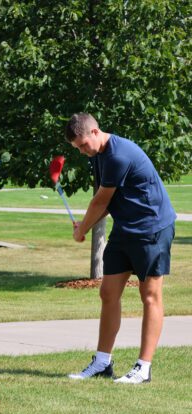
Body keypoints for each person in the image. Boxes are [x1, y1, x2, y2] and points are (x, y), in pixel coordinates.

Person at [65, 113, 176, 384]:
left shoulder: (118, 154)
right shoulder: (98, 155)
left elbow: (100, 201)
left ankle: (143, 368)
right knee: (108, 292)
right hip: (126, 229)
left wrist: (82, 230)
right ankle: (102, 362)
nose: (82, 151)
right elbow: (107, 201)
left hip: (152, 228)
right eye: (77, 148)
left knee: (150, 295)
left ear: (95, 132)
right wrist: (86, 225)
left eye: (83, 145)